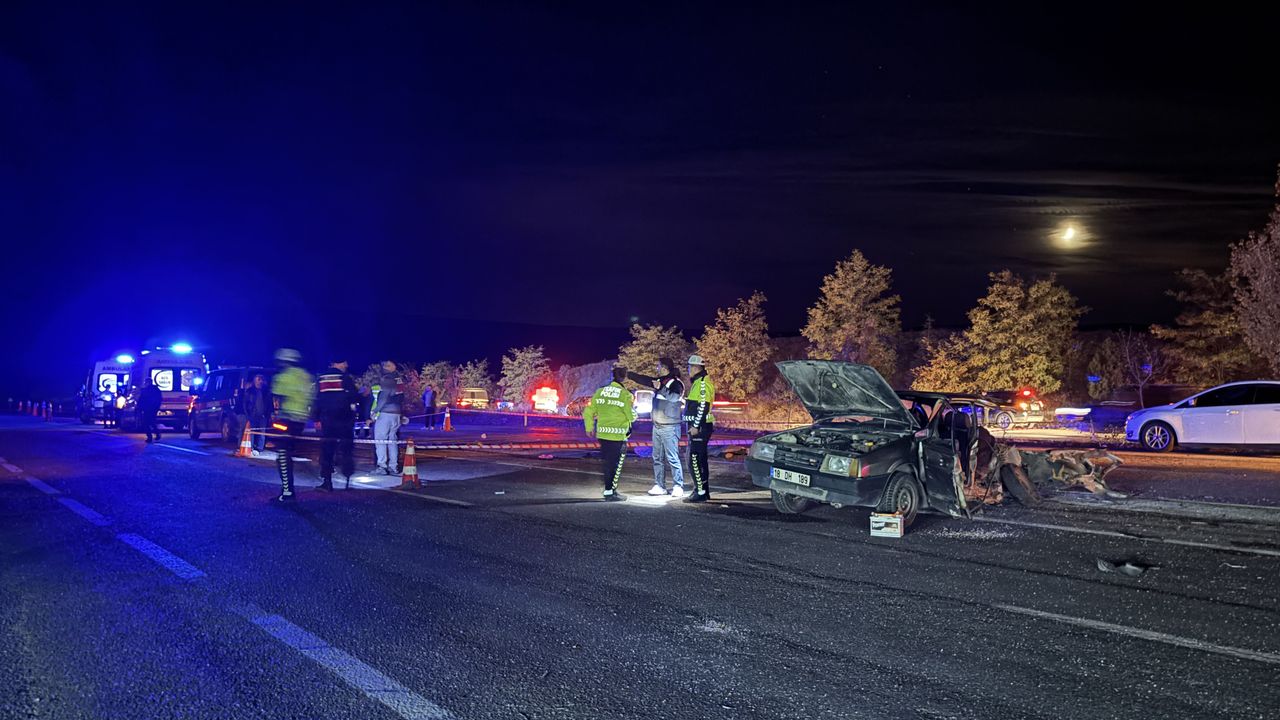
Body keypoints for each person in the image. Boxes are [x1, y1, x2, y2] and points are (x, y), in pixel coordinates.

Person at [628, 357, 686, 497]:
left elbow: (673, 397)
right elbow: (644, 379)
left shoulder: (676, 383)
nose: (657, 368)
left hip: (670, 427)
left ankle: (678, 486)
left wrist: (661, 388)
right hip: (657, 426)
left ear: (665, 367)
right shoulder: (661, 381)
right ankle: (659, 486)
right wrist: (628, 374)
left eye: (659, 366)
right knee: (657, 458)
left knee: (672, 457)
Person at [583, 366, 635, 501]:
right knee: (615, 464)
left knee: (607, 463)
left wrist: (589, 427)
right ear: (623, 377)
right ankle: (610, 491)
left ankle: (609, 490)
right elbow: (630, 415)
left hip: (603, 434)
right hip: (618, 435)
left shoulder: (600, 392)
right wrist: (634, 415)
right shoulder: (625, 394)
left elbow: (588, 411)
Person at [271, 348, 315, 502]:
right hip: (301, 420)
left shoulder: (283, 376)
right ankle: (287, 489)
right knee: (289, 452)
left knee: (282, 454)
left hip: (286, 419)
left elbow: (278, 398)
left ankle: (287, 490)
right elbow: (311, 397)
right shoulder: (306, 376)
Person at [316, 358, 358, 491]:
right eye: (344, 362)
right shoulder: (346, 378)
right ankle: (347, 480)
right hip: (345, 419)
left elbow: (318, 399)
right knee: (347, 449)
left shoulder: (322, 378)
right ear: (337, 363)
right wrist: (355, 415)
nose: (347, 365)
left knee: (327, 450)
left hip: (328, 420)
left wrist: (316, 417)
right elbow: (354, 397)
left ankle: (327, 482)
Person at [682, 354, 716, 503]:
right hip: (699, 427)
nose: (688, 370)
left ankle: (700, 492)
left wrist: (695, 426)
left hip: (700, 428)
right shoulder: (699, 382)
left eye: (690, 367)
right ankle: (703, 491)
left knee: (694, 460)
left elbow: (703, 406)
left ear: (696, 368)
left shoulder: (702, 384)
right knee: (700, 460)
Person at [371, 361, 405, 475]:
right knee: (392, 441)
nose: (384, 367)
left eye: (387, 365)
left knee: (380, 440)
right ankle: (393, 466)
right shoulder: (399, 379)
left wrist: (375, 411)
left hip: (386, 413)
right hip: (396, 413)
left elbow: (384, 397)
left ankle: (382, 466)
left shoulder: (387, 379)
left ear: (393, 367)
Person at [243, 373, 272, 454]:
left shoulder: (266, 392)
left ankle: (260, 448)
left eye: (261, 380)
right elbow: (245, 403)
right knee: (252, 432)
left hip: (263, 415)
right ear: (254, 381)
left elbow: (269, 404)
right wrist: (247, 414)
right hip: (252, 414)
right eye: (258, 380)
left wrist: (269, 414)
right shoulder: (250, 391)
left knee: (262, 433)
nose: (260, 382)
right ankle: (250, 447)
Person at [138, 378, 163, 443]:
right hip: (153, 409)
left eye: (146, 382)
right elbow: (159, 399)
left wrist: (139, 408)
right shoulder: (156, 390)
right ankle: (156, 434)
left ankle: (150, 436)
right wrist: (157, 407)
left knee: (146, 423)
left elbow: (141, 400)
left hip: (147, 409)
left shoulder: (146, 390)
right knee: (152, 422)